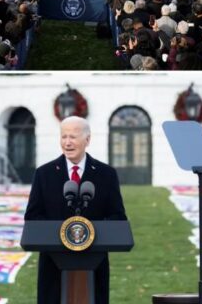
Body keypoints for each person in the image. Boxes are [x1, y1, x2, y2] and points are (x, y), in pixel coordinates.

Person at [24, 116, 127, 304]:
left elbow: (118, 216)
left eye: (73, 137)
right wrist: (64, 232)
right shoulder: (44, 174)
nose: (67, 142)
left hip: (94, 262)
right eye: (64, 137)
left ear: (87, 140)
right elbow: (32, 217)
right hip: (53, 264)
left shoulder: (106, 174)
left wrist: (91, 232)